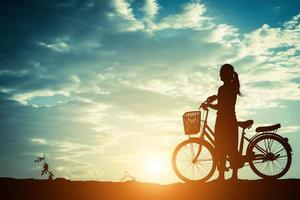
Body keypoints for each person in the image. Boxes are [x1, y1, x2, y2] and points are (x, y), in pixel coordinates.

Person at [203, 64, 242, 181]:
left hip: (224, 121)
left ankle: (222, 176)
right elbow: (223, 101)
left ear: (226, 75)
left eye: (221, 72)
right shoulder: (231, 87)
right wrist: (215, 97)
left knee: (222, 148)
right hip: (228, 120)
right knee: (230, 148)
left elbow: (222, 106)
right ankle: (232, 175)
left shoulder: (224, 88)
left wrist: (208, 105)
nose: (219, 75)